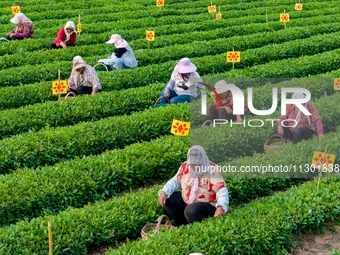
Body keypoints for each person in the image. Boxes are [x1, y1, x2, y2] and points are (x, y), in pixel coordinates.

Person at [158, 145, 229, 226]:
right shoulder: (185, 166)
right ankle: (180, 224)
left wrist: (221, 207)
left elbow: (221, 190)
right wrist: (164, 192)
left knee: (191, 211)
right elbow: (175, 181)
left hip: (206, 205)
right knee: (168, 199)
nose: (195, 167)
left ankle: (198, 227)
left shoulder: (212, 170)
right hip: (187, 201)